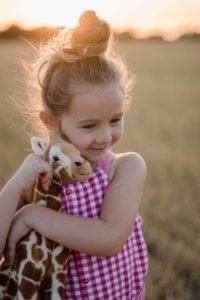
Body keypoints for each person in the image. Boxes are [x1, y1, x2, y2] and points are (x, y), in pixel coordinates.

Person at [0, 10, 148, 299]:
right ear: (51, 122)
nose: (105, 136)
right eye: (89, 125)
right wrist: (17, 185)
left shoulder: (125, 168)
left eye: (115, 119)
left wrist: (31, 215)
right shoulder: (41, 177)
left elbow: (109, 238)